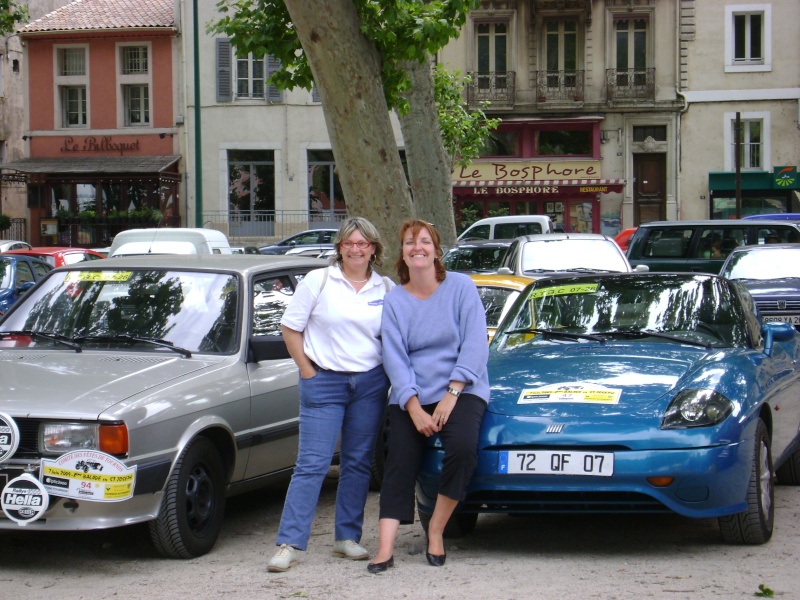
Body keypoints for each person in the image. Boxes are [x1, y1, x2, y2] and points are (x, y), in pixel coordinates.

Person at [267, 217, 393, 572]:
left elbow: (395, 337)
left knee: (356, 463)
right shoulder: (319, 280)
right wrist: (308, 371)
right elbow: (290, 329)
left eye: (362, 243)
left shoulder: (385, 287)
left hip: (369, 384)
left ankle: (346, 538)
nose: (356, 249)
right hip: (324, 381)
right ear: (340, 247)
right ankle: (288, 543)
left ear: (373, 248)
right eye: (349, 243)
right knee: (313, 463)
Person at [368, 220, 490, 573]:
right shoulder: (394, 301)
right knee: (399, 459)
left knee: (463, 449)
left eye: (424, 242)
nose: (416, 247)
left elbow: (474, 343)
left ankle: (435, 531)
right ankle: (385, 548)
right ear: (402, 253)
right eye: (409, 242)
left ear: (436, 251)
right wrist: (413, 407)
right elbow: (395, 357)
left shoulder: (461, 287)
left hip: (463, 387)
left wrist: (453, 394)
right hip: (414, 393)